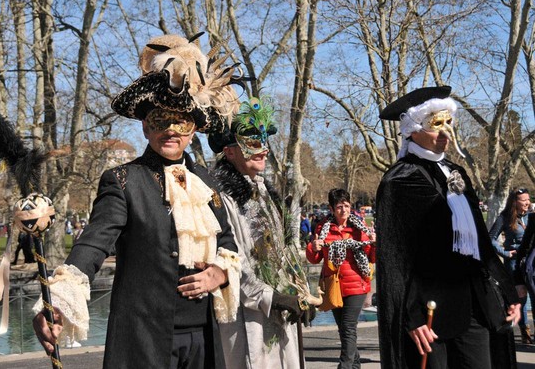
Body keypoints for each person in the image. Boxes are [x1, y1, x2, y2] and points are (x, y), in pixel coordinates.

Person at [33, 33, 243, 368]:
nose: (171, 130)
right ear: (146, 127)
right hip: (145, 339)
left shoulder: (206, 180)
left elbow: (229, 241)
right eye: (160, 120)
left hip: (204, 335)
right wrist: (58, 301)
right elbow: (93, 244)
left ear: (193, 132)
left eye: (181, 121)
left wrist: (220, 273)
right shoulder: (122, 180)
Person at [375, 86, 521, 369]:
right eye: (435, 125)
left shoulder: (457, 172)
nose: (445, 134)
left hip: (474, 305)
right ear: (412, 129)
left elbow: (480, 241)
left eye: (448, 124)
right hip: (429, 312)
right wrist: (413, 315)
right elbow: (395, 257)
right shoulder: (401, 180)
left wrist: (507, 289)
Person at [208, 97, 318, 368]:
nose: (264, 150)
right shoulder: (220, 196)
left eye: (264, 141)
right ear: (230, 150)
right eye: (253, 141)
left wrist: (298, 293)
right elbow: (230, 259)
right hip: (248, 319)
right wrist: (272, 298)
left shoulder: (265, 191)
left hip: (281, 315)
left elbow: (283, 253)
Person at [306, 188, 375, 369]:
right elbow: (315, 258)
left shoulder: (359, 228)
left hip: (356, 285)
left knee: (348, 328)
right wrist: (314, 247)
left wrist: (375, 243)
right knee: (344, 330)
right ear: (331, 208)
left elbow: (372, 257)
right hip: (333, 286)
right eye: (339, 207)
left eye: (346, 206)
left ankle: (344, 366)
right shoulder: (322, 228)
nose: (343, 210)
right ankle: (356, 366)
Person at [489, 187, 534, 343]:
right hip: (514, 263)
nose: (527, 203)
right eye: (524, 200)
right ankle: (525, 332)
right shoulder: (505, 218)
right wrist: (506, 253)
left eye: (529, 199)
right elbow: (491, 239)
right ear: (515, 202)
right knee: (520, 298)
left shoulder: (531, 217)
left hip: (531, 262)